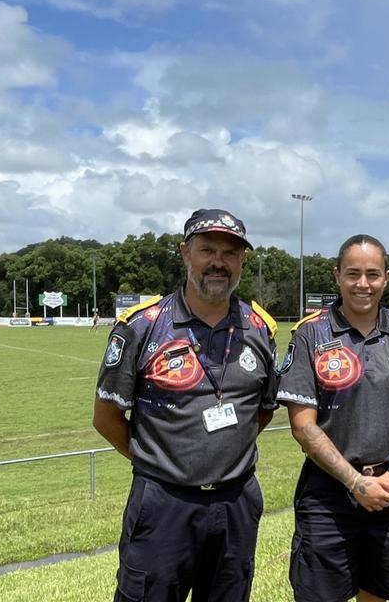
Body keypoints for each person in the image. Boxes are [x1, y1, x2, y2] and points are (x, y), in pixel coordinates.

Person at [93, 208, 280, 602]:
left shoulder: (260, 329)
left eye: (230, 254)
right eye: (206, 250)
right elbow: (106, 416)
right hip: (163, 503)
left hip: (235, 501)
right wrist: (160, 460)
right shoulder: (141, 326)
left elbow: (262, 410)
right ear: (184, 253)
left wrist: (223, 456)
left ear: (243, 260)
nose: (218, 262)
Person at [279, 234, 389, 602]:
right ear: (336, 275)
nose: (363, 284)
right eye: (353, 273)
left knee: (378, 592)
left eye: (373, 274)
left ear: (387, 277)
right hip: (329, 492)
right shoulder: (310, 334)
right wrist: (355, 483)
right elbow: (302, 426)